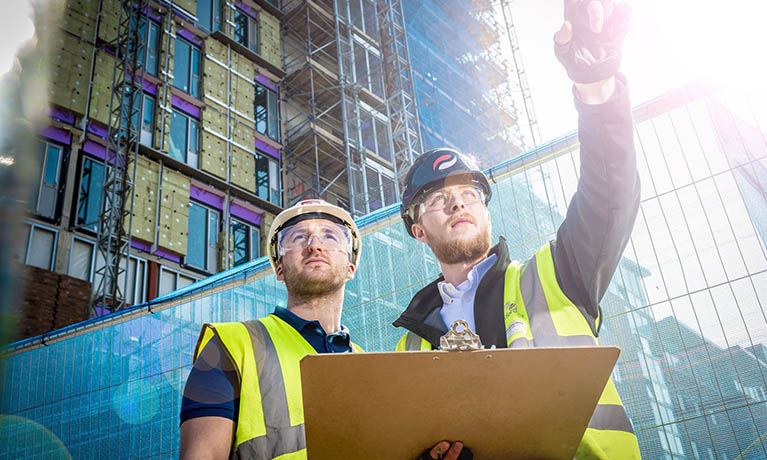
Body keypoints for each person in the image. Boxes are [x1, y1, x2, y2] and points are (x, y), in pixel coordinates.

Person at [397, 1, 642, 459]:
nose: (456, 202)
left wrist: (597, 90)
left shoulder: (556, 276)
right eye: (435, 199)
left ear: (486, 210)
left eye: (469, 193)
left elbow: (610, 198)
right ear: (418, 232)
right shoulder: (409, 342)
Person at [178, 199, 363, 460]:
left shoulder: (368, 365)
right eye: (298, 237)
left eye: (330, 236)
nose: (314, 245)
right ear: (279, 268)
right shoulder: (230, 345)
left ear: (351, 268)